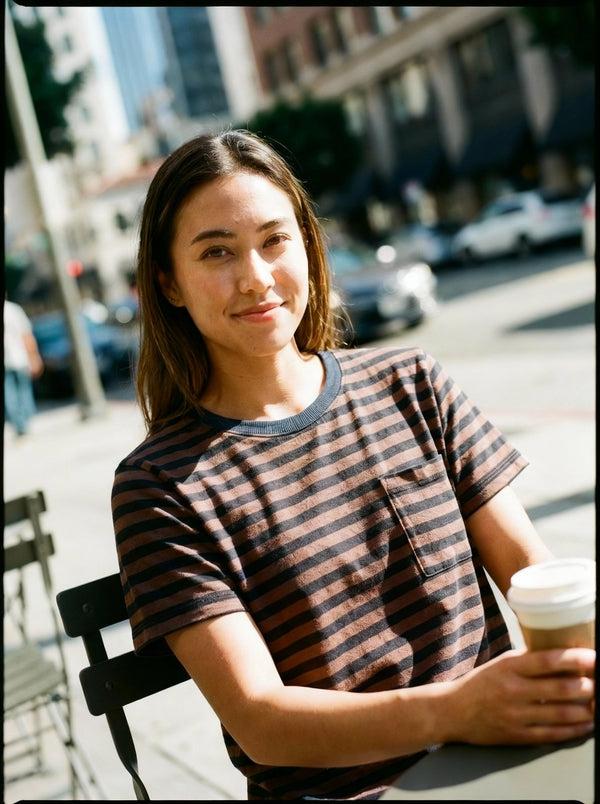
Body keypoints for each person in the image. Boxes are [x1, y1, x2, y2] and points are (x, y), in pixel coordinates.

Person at [112, 130, 595, 801]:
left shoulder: (411, 381)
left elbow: (532, 575)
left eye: (275, 240)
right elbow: (262, 722)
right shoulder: (160, 485)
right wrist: (459, 709)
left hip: (502, 761)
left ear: (309, 245)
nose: (255, 276)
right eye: (217, 252)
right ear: (167, 283)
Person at [4, 297, 44, 437]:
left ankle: (20, 424)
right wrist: (34, 356)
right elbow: (26, 335)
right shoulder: (14, 310)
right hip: (19, 357)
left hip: (14, 358)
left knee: (9, 394)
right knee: (23, 390)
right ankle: (24, 422)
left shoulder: (14, 310)